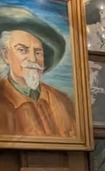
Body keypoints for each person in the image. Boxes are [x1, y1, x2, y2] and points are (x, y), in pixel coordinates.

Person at [0, 6, 76, 137]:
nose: (32, 59)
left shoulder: (62, 101)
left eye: (38, 52)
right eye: (22, 50)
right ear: (6, 55)